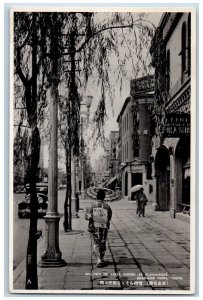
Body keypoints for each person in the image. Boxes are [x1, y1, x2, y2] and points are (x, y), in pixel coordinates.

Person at [85, 189, 112, 267]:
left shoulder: (93, 205)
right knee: (103, 241)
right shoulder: (107, 206)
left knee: (96, 242)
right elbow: (109, 217)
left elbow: (88, 216)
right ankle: (101, 258)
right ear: (104, 197)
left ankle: (98, 259)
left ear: (96, 196)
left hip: (95, 227)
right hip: (103, 227)